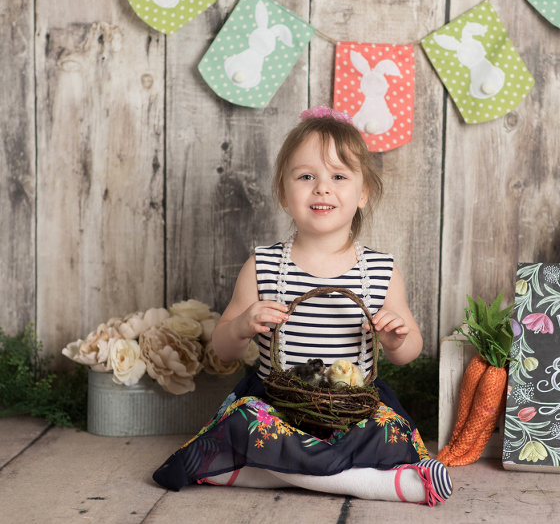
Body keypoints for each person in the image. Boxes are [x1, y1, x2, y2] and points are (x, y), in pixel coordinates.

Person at [152, 105, 452, 506]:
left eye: (339, 177)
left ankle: (259, 473)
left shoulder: (380, 270)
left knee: (386, 428)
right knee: (245, 422)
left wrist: (395, 338)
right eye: (307, 176)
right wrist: (242, 325)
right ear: (283, 192)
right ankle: (374, 483)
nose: (322, 188)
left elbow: (408, 351)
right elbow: (222, 349)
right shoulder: (262, 266)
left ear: (362, 193)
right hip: (280, 406)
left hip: (350, 409)